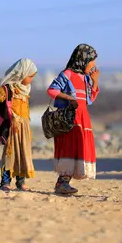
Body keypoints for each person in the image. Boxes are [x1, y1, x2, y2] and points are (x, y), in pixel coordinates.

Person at [47, 44, 100, 194]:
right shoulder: (68, 74)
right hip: (69, 118)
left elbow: (89, 99)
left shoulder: (86, 78)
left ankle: (64, 183)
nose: (94, 65)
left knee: (79, 147)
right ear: (83, 60)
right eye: (92, 61)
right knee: (69, 147)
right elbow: (52, 90)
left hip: (82, 119)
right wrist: (69, 98)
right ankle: (62, 183)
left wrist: (95, 81)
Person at [0, 58, 37, 191]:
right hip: (12, 127)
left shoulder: (25, 89)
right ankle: (5, 182)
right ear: (22, 74)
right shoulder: (8, 88)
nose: (31, 80)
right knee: (10, 154)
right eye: (30, 76)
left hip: (24, 127)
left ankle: (20, 182)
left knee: (22, 154)